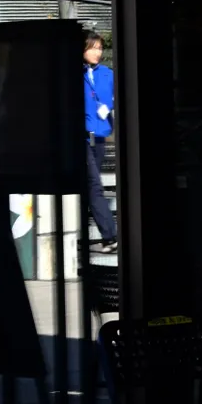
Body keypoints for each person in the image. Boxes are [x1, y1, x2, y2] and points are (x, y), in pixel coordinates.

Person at [84, 31, 116, 252]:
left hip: (101, 135)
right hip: (83, 137)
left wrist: (109, 106)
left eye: (100, 48)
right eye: (93, 47)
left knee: (90, 187)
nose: (98, 52)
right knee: (94, 185)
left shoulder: (107, 74)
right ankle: (110, 236)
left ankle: (106, 237)